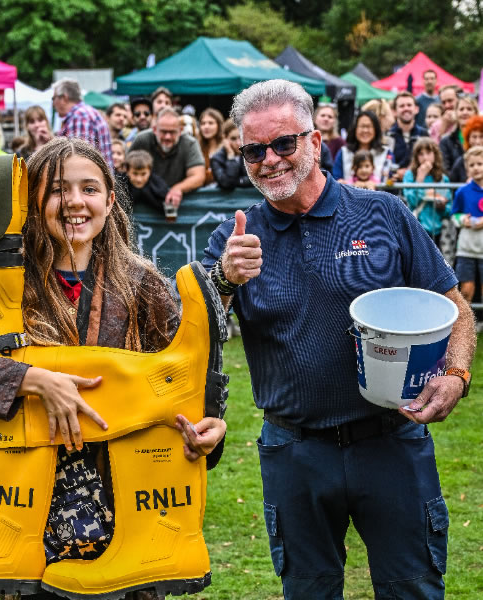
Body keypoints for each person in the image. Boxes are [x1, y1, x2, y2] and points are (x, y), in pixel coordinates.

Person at [0, 137, 226, 600]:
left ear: (110, 201)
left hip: (128, 515)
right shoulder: (6, 288)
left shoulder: (144, 286)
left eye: (90, 188)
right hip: (29, 517)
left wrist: (211, 431)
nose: (75, 202)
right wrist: (31, 379)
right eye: (59, 189)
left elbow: (190, 383)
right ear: (34, 201)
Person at [203, 78, 476, 599]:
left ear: (316, 141)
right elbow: (193, 333)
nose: (270, 160)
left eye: (284, 143)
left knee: (413, 590)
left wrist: (457, 376)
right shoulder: (235, 238)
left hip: (391, 439)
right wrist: (222, 278)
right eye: (254, 150)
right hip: (294, 449)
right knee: (308, 593)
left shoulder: (382, 213)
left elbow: (456, 308)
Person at [129, 107, 205, 209]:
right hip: (144, 202)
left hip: (178, 205)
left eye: (172, 132)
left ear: (180, 130)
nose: (168, 137)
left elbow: (198, 176)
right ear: (155, 130)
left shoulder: (190, 143)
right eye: (164, 132)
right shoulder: (142, 139)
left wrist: (178, 188)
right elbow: (126, 169)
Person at [52, 78, 112, 168]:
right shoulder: (84, 113)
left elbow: (80, 160)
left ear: (64, 98)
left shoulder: (79, 116)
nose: (53, 104)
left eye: (54, 98)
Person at [402, 137, 452, 247]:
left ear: (435, 154)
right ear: (416, 157)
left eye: (428, 153)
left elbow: (449, 208)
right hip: (417, 228)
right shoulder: (410, 175)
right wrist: (420, 178)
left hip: (437, 230)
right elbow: (411, 201)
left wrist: (442, 206)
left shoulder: (442, 178)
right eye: (421, 154)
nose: (425, 157)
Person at [451, 146, 483, 304]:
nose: (476, 168)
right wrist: (462, 219)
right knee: (466, 290)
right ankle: (466, 325)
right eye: (472, 165)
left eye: (479, 163)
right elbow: (453, 215)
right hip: (466, 247)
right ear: (467, 168)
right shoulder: (462, 192)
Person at [332, 110, 388, 182]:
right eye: (362, 126)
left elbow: (389, 179)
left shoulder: (385, 152)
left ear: (376, 129)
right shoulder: (344, 152)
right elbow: (336, 177)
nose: (365, 130)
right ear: (355, 129)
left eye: (369, 126)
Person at [387, 91, 428, 181]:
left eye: (409, 105)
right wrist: (396, 172)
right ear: (394, 111)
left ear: (416, 109)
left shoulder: (424, 134)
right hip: (392, 186)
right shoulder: (388, 135)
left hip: (418, 184)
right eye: (402, 106)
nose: (406, 108)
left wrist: (409, 172)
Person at [439, 96, 478, 175]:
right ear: (456, 113)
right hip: (455, 184)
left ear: (476, 113)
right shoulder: (446, 141)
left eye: (469, 109)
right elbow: (445, 170)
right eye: (461, 109)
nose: (465, 112)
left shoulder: (480, 139)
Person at [210, 119, 252, 191]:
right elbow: (226, 183)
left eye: (240, 137)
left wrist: (236, 181)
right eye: (233, 139)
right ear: (225, 139)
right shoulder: (216, 158)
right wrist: (231, 157)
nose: (238, 143)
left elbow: (254, 179)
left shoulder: (250, 152)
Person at [125, 149, 169, 214]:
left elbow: (165, 204)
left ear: (150, 171)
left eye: (143, 174)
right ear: (127, 171)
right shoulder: (121, 183)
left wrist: (144, 192)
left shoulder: (157, 183)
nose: (139, 179)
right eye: (135, 173)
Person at [449, 115, 483, 183]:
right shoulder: (461, 162)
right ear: (468, 139)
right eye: (474, 137)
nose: (477, 141)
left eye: (481, 137)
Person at [197, 108, 224, 185]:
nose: (206, 126)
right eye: (203, 123)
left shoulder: (226, 147)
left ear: (219, 125)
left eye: (210, 123)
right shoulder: (197, 147)